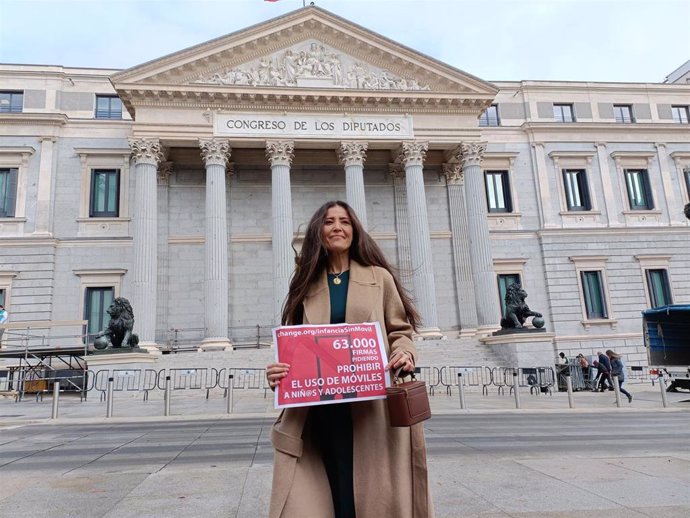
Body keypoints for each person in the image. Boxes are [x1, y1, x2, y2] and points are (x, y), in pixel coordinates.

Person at [265, 201, 432, 518]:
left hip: (371, 406)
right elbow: (295, 344)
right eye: (329, 221)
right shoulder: (305, 283)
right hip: (321, 406)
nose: (337, 227)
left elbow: (400, 329)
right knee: (331, 484)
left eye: (344, 221)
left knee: (369, 490)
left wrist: (404, 352)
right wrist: (278, 371)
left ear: (354, 231)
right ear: (319, 231)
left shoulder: (378, 277)